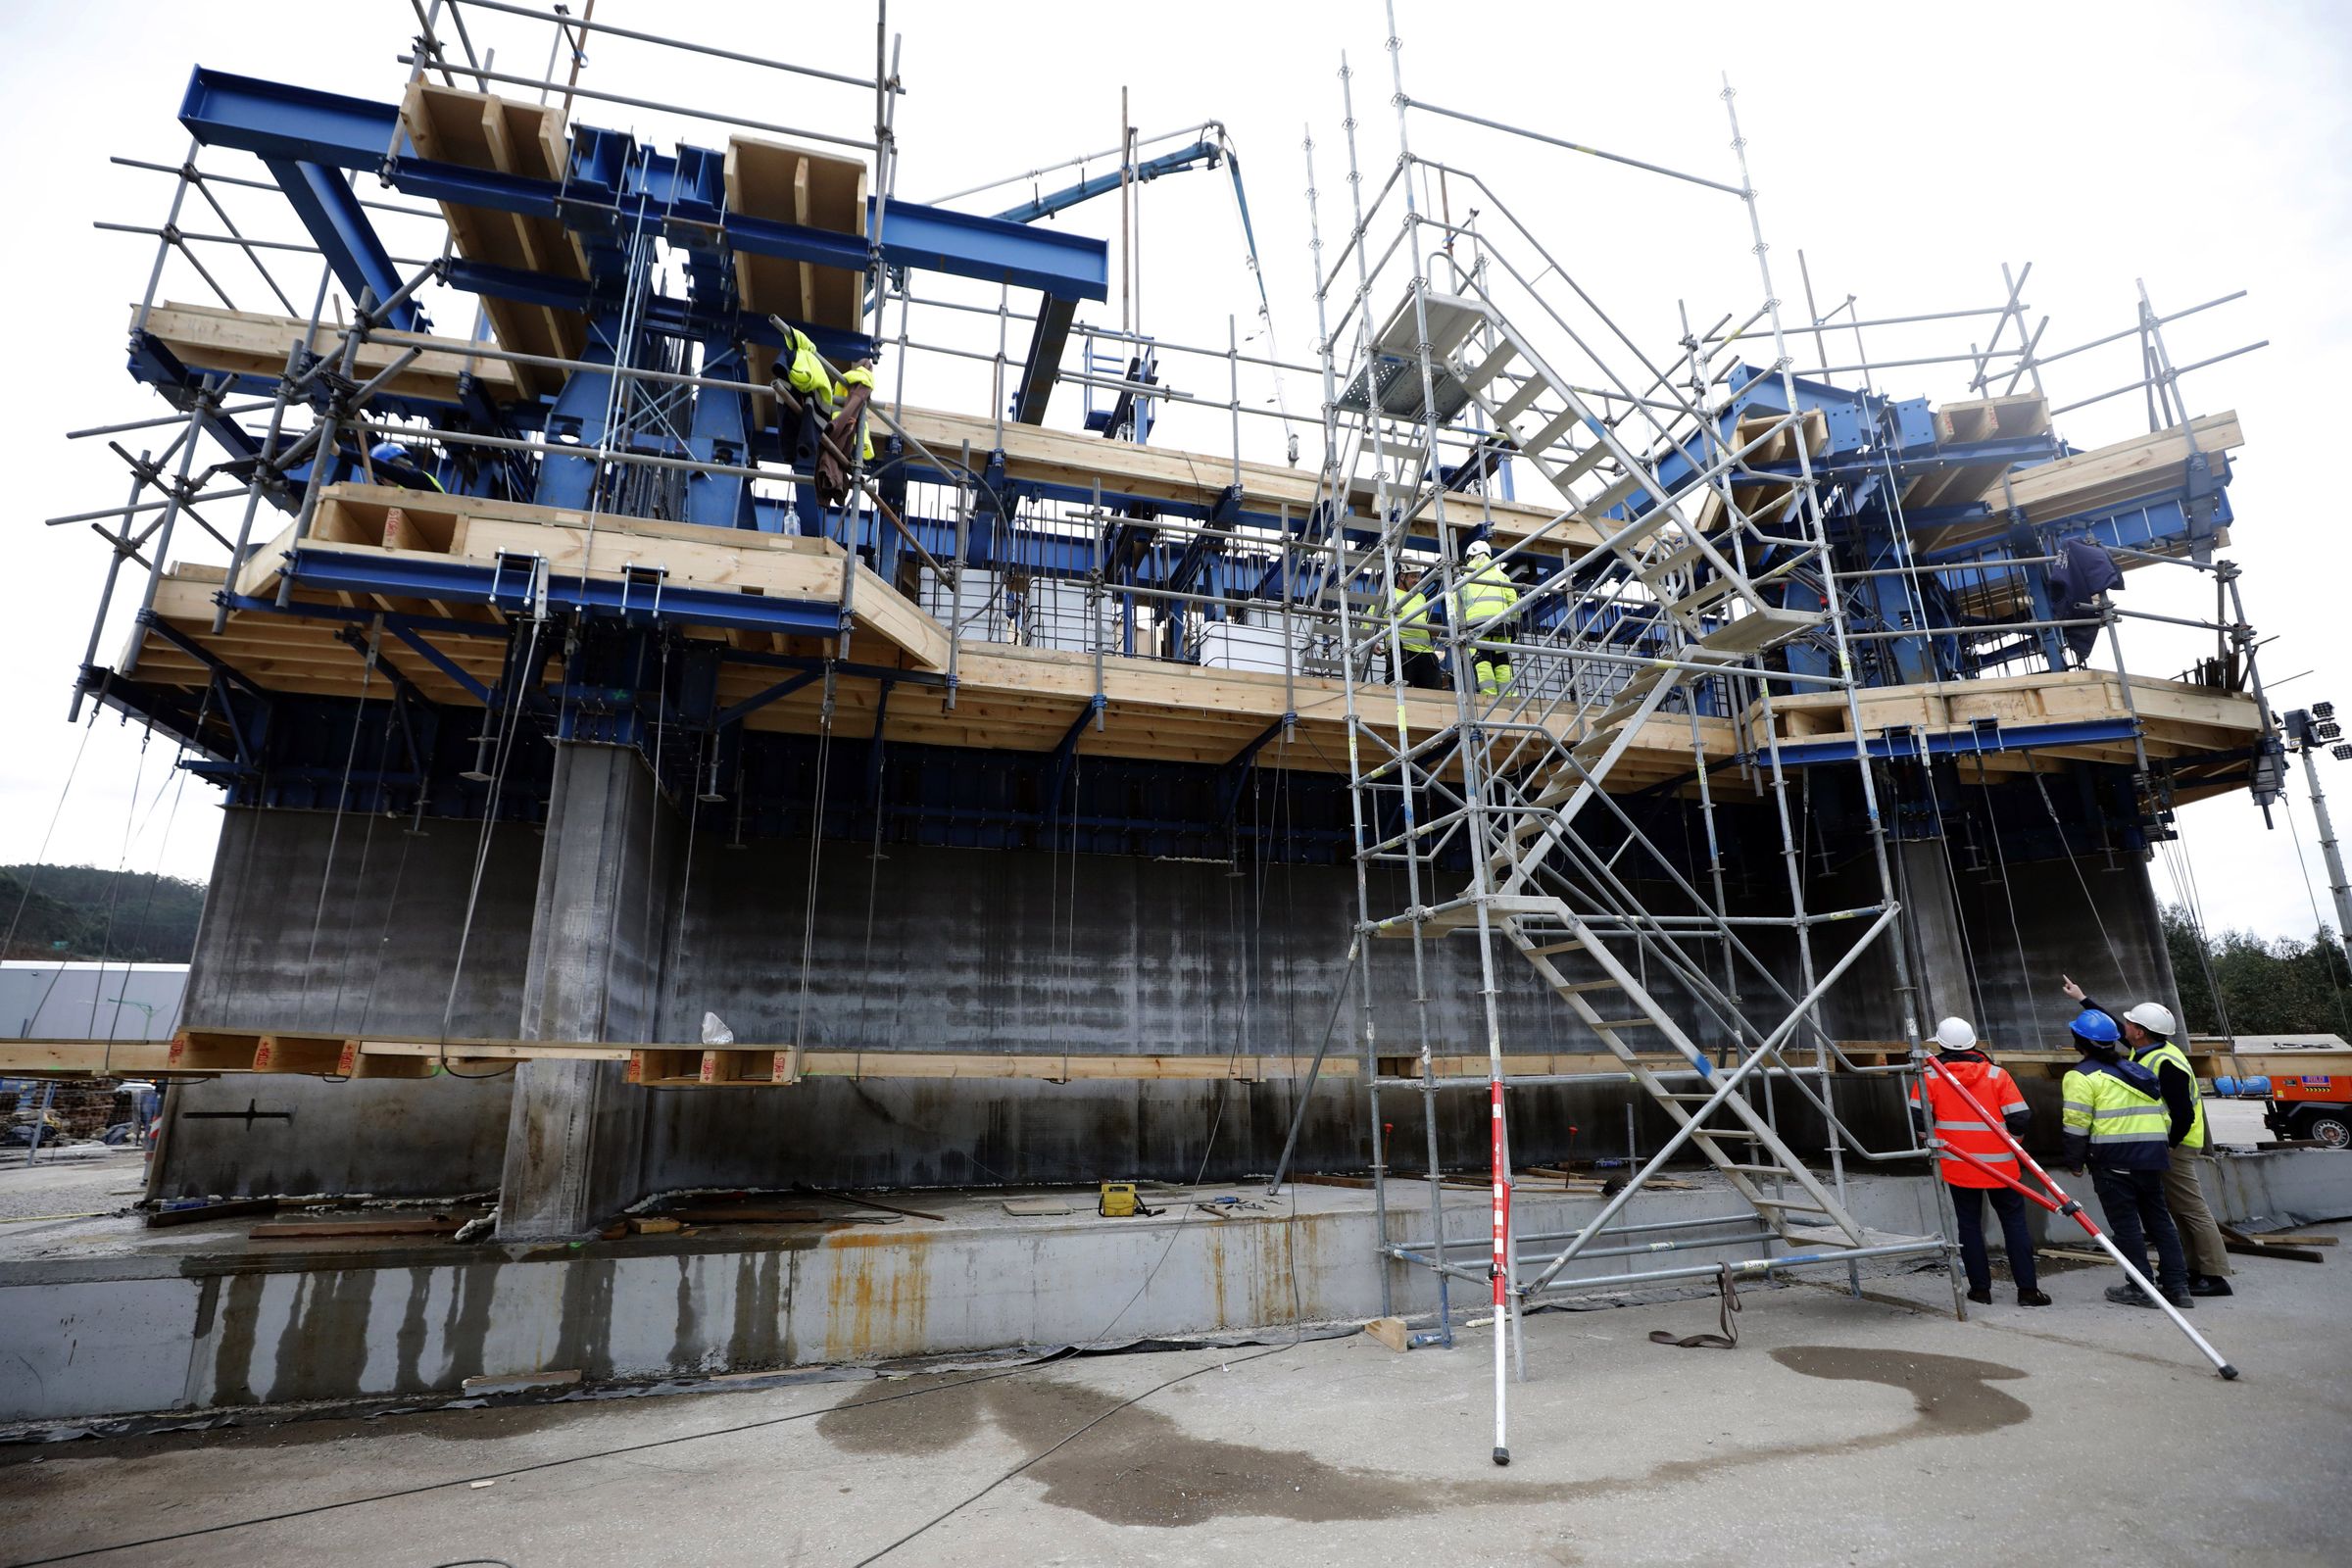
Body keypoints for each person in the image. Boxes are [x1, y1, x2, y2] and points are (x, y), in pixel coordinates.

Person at [2064, 976, 2233, 1297]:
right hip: (2162, 1143)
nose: (2124, 1025)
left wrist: (2168, 1146)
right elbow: (2110, 1027)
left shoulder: (2165, 1062)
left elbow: (2184, 1113)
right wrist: (2083, 998)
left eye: (2130, 1023)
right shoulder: (2147, 1050)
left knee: (2191, 1209)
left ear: (2139, 1032)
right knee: (2172, 1211)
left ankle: (2214, 1274)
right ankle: (2189, 1272)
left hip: (2176, 1145)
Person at [1909, 1016, 2050, 1307]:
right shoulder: (1997, 1076)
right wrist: (2014, 1144)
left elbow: (1919, 1121)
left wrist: (1936, 1143)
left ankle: (1980, 1290)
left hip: (1958, 1164)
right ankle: (2027, 1291)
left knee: (1969, 1225)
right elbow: (2020, 1118)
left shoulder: (1929, 1077)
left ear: (1941, 1045)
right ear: (1973, 1043)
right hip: (2002, 1167)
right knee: (2014, 1224)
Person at [2057, 1006, 2191, 1310]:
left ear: (2079, 1041)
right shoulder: (2137, 1070)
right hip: (2152, 1157)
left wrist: (2075, 1162)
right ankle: (2178, 1287)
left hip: (2113, 1160)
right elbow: (2163, 1115)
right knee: (2161, 1222)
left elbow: (2076, 1122)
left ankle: (2141, 1288)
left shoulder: (2081, 1076)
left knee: (2127, 1227)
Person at [1454, 537, 1520, 697]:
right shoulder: (1502, 576)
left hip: (1475, 628)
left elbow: (1457, 609)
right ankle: (1508, 697)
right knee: (1503, 662)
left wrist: (1459, 629)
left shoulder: (1463, 580)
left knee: (1482, 662)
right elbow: (1514, 603)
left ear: (1469, 558)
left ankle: (1490, 696)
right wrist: (1514, 626)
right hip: (1501, 625)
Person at [1390, 567, 1446, 689]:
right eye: (1413, 576)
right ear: (1402, 576)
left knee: (1434, 695)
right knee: (1400, 694)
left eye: (1418, 577)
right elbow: (1371, 618)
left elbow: (1422, 621)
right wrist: (1372, 643)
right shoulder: (1389, 594)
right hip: (1403, 652)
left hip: (1426, 653)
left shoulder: (1420, 597)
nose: (1417, 580)